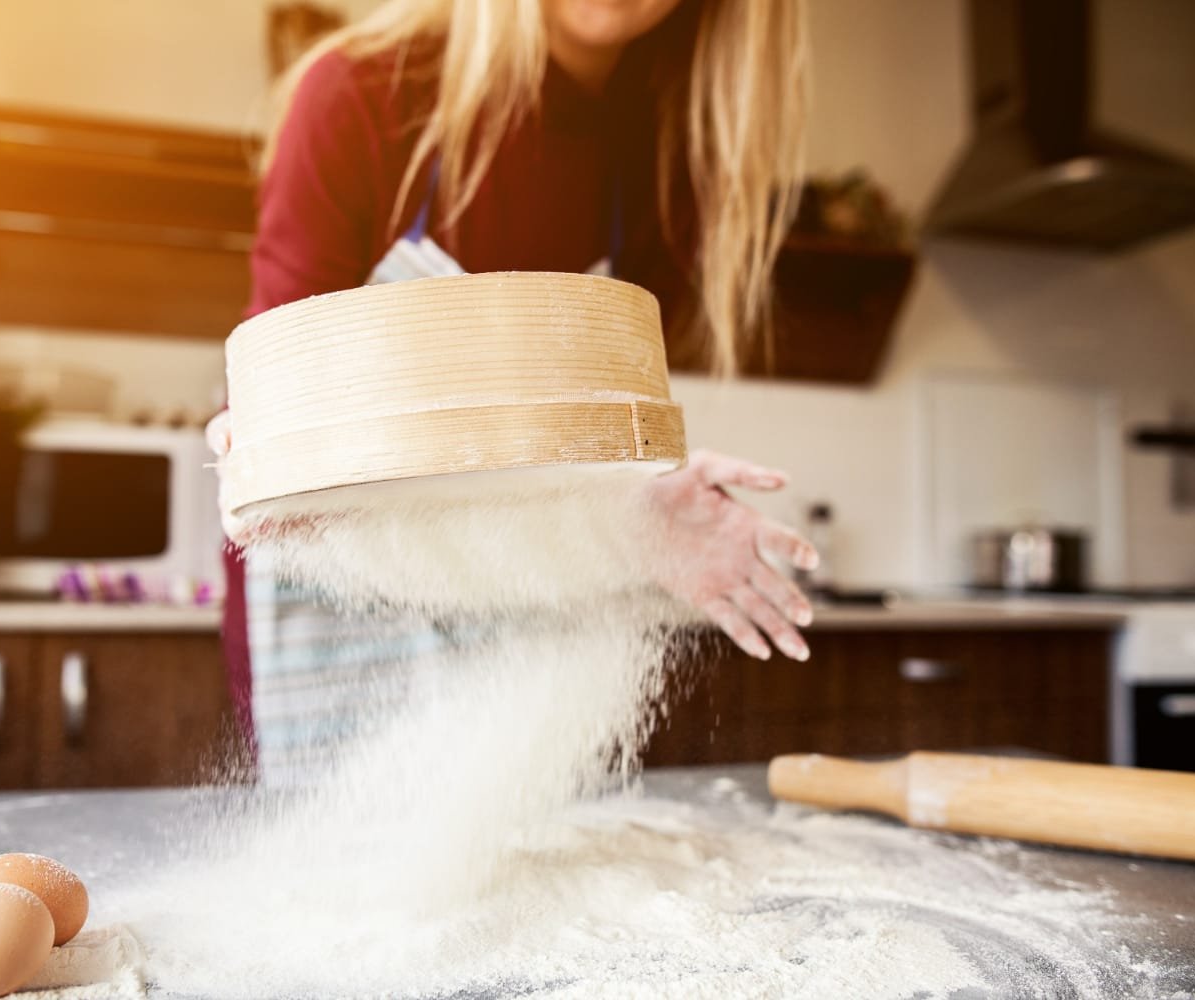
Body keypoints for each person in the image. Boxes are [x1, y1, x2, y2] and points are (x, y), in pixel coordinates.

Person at [216, 0, 818, 780]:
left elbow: (580, 461)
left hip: (534, 617)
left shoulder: (670, 159)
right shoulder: (359, 97)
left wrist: (642, 515)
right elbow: (280, 414)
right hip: (346, 617)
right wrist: (259, 448)